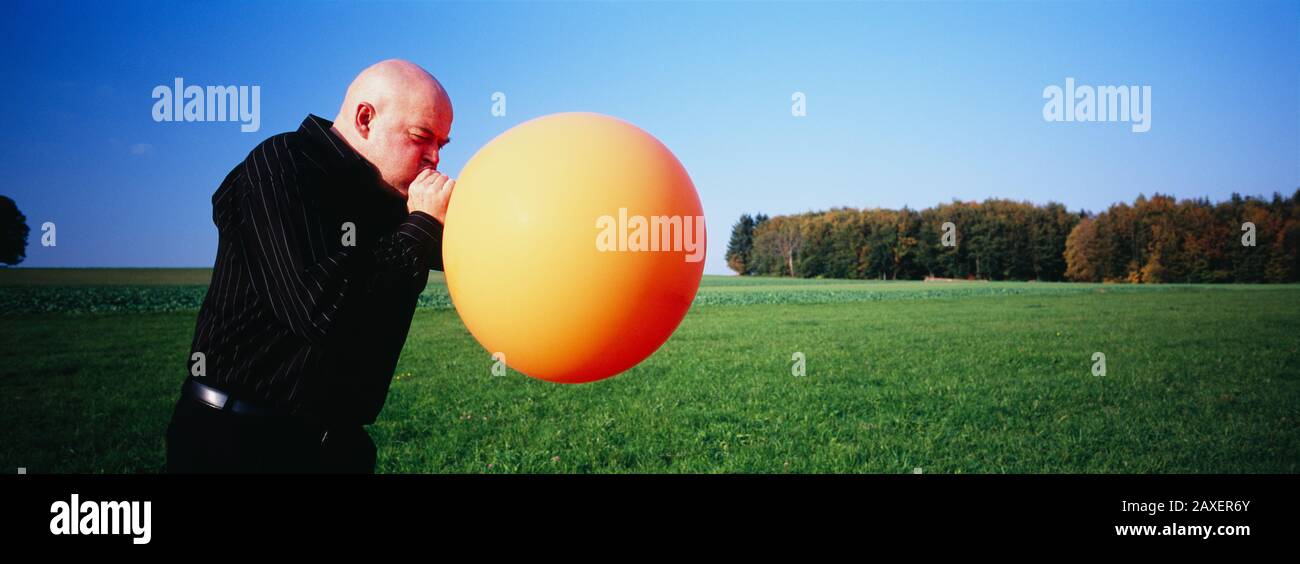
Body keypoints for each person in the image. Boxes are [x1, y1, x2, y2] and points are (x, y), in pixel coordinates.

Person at [165, 59, 456, 473]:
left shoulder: (393, 198)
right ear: (365, 119)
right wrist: (423, 223)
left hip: (337, 449)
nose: (434, 158)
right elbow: (320, 308)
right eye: (420, 137)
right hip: (236, 443)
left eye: (442, 144)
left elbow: (482, 254)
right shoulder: (282, 165)